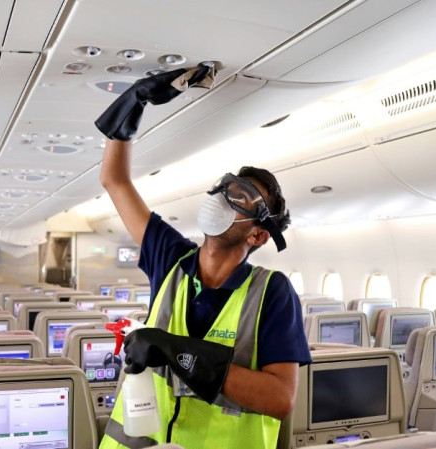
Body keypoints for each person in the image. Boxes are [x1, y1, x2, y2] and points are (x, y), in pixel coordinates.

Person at [95, 65, 311, 449]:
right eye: (224, 188)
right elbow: (116, 181)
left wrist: (178, 351)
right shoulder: (171, 258)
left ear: (259, 235)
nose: (223, 197)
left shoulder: (272, 293)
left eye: (241, 197)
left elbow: (281, 399)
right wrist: (135, 100)